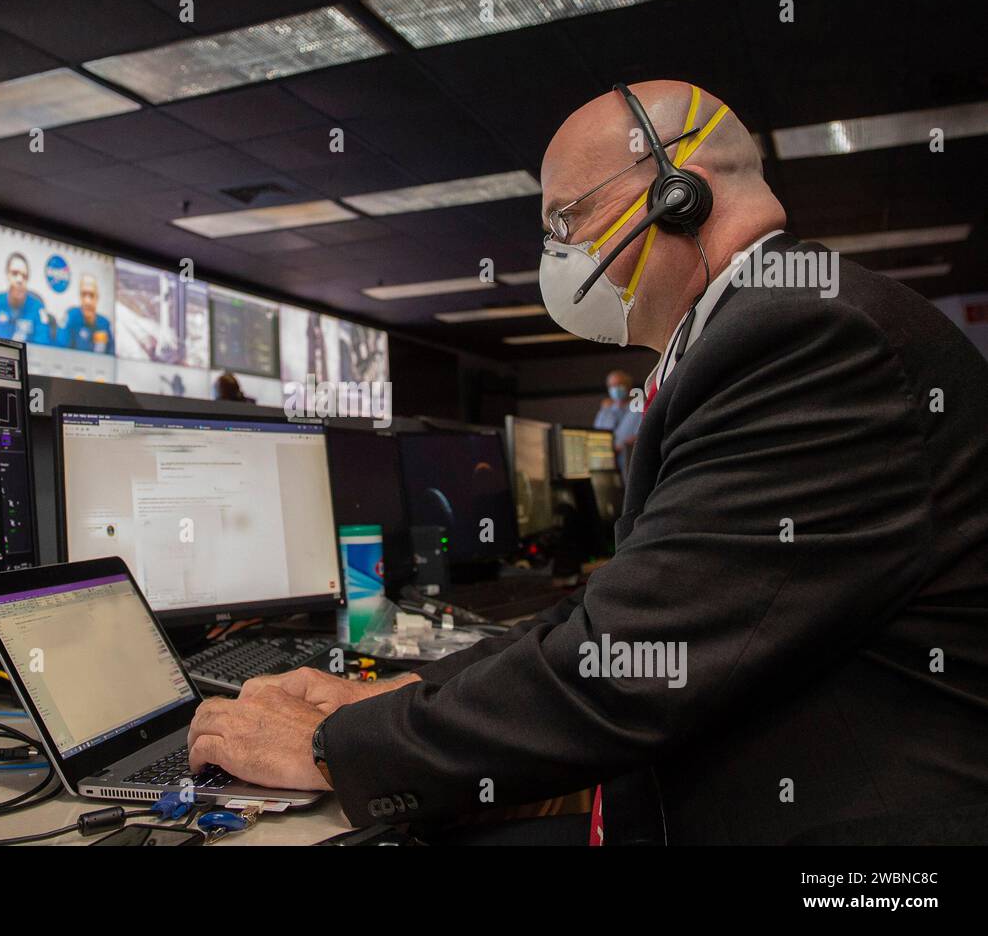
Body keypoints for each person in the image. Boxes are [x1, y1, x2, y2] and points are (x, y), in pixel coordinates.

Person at [186, 80, 988, 845]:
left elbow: (635, 667)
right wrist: (407, 691)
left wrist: (333, 746)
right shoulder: (770, 326)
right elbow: (610, 620)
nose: (557, 252)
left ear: (681, 191)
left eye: (565, 220)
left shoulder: (804, 339)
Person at [0, 251, 51, 345]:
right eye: (15, 273)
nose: (19, 280)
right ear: (7, 275)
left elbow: (43, 346)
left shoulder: (38, 308)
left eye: (24, 276)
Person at [592, 368, 642, 474]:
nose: (616, 389)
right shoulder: (605, 411)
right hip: (606, 466)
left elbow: (644, 434)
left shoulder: (639, 409)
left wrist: (625, 444)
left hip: (630, 464)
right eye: (612, 386)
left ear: (628, 386)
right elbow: (595, 436)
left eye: (619, 384)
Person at [57, 274, 113, 353]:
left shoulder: (104, 323)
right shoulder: (71, 316)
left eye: (91, 295)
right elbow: (60, 349)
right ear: (80, 297)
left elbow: (111, 353)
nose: (87, 301)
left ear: (97, 298)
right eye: (84, 295)